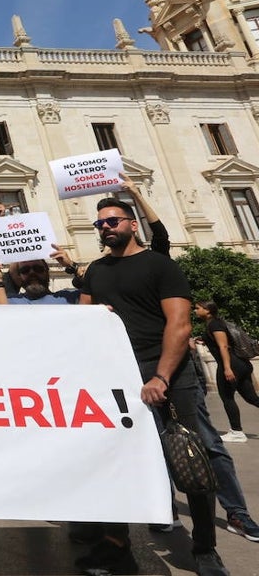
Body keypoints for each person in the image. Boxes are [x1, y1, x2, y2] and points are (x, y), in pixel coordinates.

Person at [77, 198, 230, 576]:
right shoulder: (95, 270)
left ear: (132, 223)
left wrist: (160, 376)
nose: (106, 228)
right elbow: (81, 320)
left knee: (189, 458)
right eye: (100, 224)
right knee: (116, 460)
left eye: (112, 220)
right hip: (118, 378)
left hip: (169, 375)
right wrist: (97, 316)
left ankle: (205, 547)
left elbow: (178, 325)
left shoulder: (161, 265)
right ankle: (116, 542)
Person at [194, 300, 258, 443]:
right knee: (251, 398)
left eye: (198, 308)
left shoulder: (215, 324)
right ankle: (236, 431)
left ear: (208, 310)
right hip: (240, 365)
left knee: (227, 397)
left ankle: (236, 432)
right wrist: (203, 339)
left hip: (231, 365)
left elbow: (223, 346)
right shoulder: (214, 324)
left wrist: (227, 368)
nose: (195, 310)